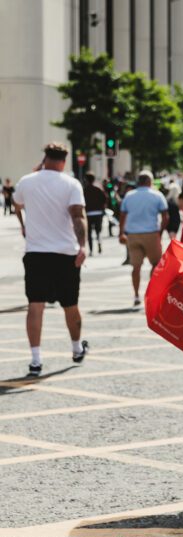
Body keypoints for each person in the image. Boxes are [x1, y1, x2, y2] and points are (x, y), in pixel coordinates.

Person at [12, 143, 89, 377]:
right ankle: (76, 349)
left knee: (35, 306)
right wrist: (83, 246)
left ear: (45, 158)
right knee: (70, 305)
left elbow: (17, 204)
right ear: (64, 161)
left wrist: (24, 225)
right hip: (65, 253)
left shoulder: (27, 181)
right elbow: (78, 216)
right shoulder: (71, 183)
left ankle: (35, 360)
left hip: (36, 253)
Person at [119, 170, 168, 307]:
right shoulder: (157, 195)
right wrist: (160, 232)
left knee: (136, 267)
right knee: (156, 265)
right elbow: (165, 216)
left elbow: (122, 215)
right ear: (149, 181)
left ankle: (136, 295)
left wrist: (121, 232)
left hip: (133, 235)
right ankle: (151, 293)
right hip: (151, 233)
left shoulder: (129, 196)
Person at [82, 172, 108, 255]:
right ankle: (99, 243)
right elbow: (105, 199)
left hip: (88, 213)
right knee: (98, 231)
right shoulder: (98, 189)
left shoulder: (84, 190)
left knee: (89, 232)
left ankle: (91, 250)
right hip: (98, 213)